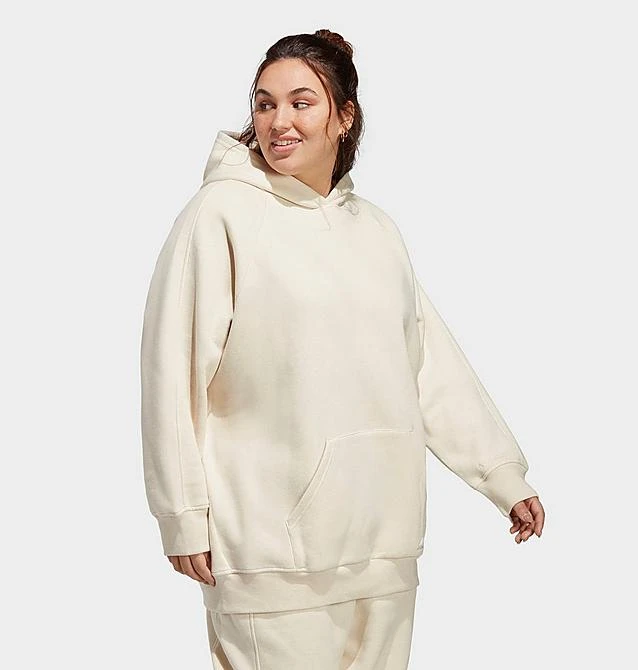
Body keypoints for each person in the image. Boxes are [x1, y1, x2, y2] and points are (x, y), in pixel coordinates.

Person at [140, 28, 546, 670]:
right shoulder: (218, 216)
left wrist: (500, 474)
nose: (279, 121)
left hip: (384, 553)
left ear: (344, 116)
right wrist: (181, 513)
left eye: (301, 102)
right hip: (270, 558)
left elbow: (427, 366)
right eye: (265, 104)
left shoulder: (377, 229)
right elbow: (172, 374)